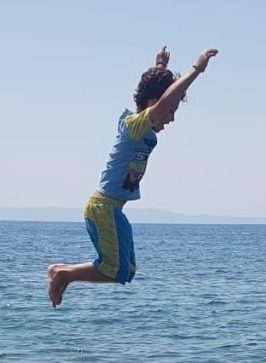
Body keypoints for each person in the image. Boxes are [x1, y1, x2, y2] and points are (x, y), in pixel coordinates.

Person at [47, 46, 219, 308]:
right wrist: (196, 70)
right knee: (113, 269)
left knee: (126, 272)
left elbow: (157, 96)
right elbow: (161, 103)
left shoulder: (142, 123)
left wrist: (159, 68)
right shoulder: (134, 125)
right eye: (171, 112)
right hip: (103, 207)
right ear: (154, 106)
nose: (170, 120)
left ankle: (63, 271)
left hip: (113, 210)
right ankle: (63, 274)